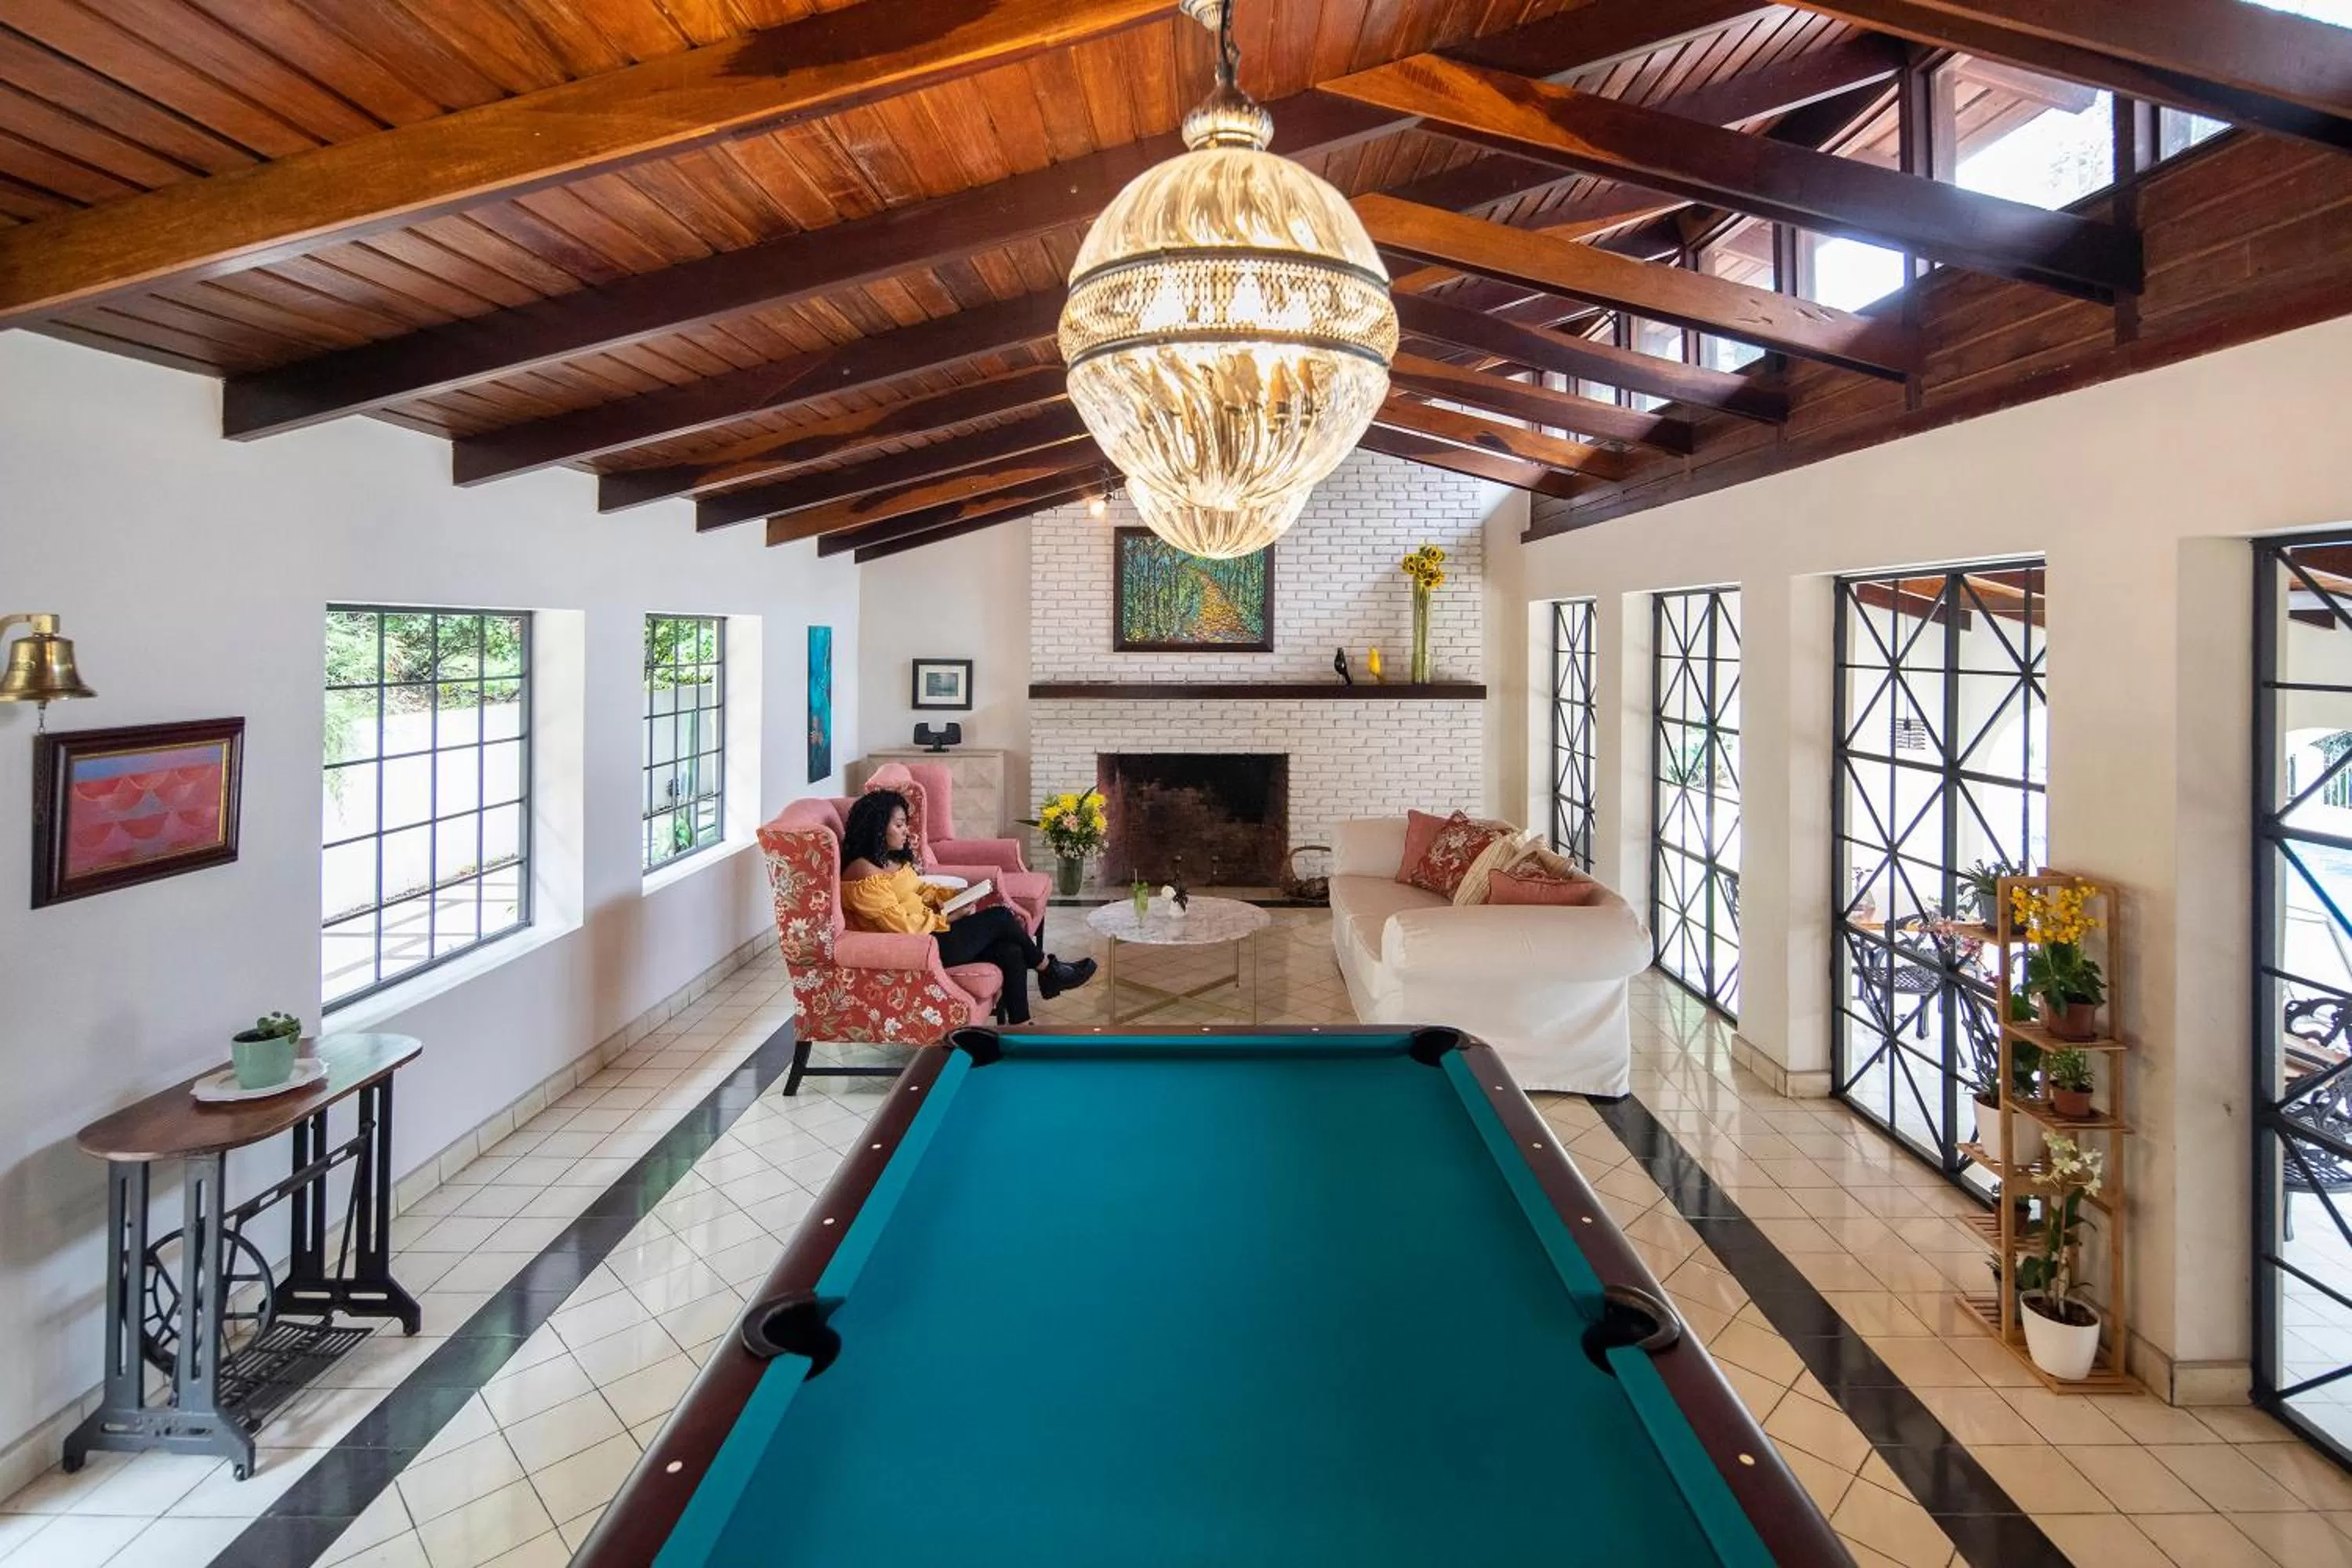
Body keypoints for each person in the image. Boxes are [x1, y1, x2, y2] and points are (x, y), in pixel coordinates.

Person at [837, 789, 1094, 1025]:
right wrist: (947, 915)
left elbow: (920, 891)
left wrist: (956, 896)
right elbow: (902, 926)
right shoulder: (861, 872)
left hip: (930, 936)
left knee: (1012, 951)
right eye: (899, 824)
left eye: (906, 824)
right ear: (877, 828)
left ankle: (1021, 1029)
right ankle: (1049, 971)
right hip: (918, 948)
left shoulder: (887, 861)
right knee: (1001, 917)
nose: (907, 832)